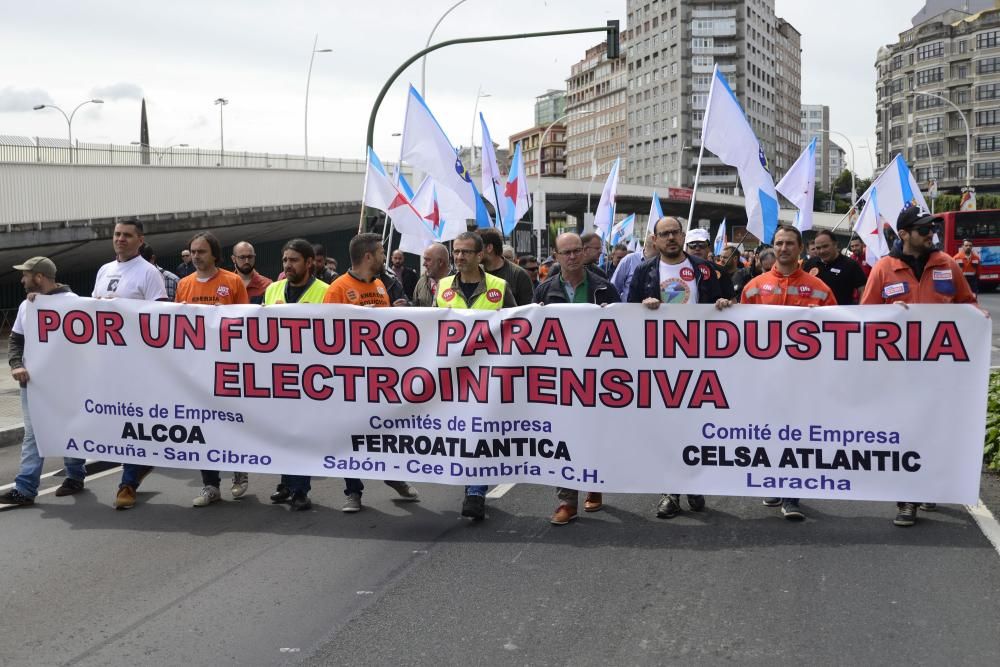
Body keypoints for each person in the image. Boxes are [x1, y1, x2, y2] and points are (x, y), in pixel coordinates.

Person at [861, 208, 980, 527]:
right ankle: (907, 499)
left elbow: (967, 303)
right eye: (923, 229)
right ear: (904, 234)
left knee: (935, 432)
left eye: (931, 229)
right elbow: (865, 317)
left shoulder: (948, 264)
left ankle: (928, 484)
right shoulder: (884, 268)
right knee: (905, 434)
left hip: (940, 373)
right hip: (898, 374)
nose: (931, 234)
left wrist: (977, 317)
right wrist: (889, 317)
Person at [718, 225, 836, 521]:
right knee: (769, 432)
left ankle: (791, 495)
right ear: (773, 246)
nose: (784, 248)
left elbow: (837, 329)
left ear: (800, 248)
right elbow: (742, 331)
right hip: (766, 378)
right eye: (779, 243)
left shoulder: (820, 288)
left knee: (796, 434)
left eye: (790, 244)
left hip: (802, 380)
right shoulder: (754, 286)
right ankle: (773, 480)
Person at [628, 216, 722, 519]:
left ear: (682, 236)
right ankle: (670, 490)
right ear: (654, 239)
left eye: (674, 233)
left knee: (694, 425)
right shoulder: (644, 271)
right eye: (663, 234)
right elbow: (627, 312)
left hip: (699, 359)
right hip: (660, 361)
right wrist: (643, 305)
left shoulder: (704, 270)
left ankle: (692, 482)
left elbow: (727, 303)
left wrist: (724, 303)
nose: (670, 238)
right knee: (668, 427)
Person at [323, 233, 420, 512]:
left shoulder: (380, 285)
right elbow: (328, 337)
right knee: (351, 436)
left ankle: (394, 476)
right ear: (368, 256)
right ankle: (353, 492)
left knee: (388, 431)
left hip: (382, 378)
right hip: (351, 378)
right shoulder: (338, 289)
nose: (383, 258)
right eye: (380, 252)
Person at [534, 233, 621, 525]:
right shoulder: (544, 290)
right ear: (556, 256)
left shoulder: (604, 288)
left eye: (576, 251)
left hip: (598, 376)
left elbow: (622, 328)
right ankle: (567, 500)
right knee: (563, 436)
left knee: (594, 432)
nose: (572, 256)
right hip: (559, 378)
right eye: (566, 252)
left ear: (584, 253)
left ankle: (594, 484)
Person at [435, 231, 516, 520]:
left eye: (465, 252)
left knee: (480, 429)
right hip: (453, 375)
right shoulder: (442, 286)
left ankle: (475, 491)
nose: (459, 257)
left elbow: (517, 324)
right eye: (456, 252)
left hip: (489, 375)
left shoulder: (499, 286)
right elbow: (427, 324)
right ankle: (469, 483)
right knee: (460, 431)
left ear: (480, 255)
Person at [93, 219, 168, 510]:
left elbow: (159, 318)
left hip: (137, 363)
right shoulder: (104, 270)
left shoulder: (149, 274)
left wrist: (123, 308)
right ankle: (140, 464)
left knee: (132, 421)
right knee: (114, 420)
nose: (120, 239)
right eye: (117, 234)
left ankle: (128, 482)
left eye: (127, 235)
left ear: (140, 240)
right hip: (109, 362)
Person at [0, 257, 87, 507]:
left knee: (70, 427)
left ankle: (75, 476)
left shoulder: (76, 304)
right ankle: (25, 488)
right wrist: (16, 364)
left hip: (66, 382)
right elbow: (16, 340)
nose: (21, 279)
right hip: (34, 383)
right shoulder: (27, 306)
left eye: (25, 274)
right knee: (33, 433)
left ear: (39, 277)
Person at [175, 232, 251, 507]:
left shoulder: (231, 282)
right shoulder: (183, 285)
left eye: (202, 252)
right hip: (197, 370)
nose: (196, 256)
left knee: (231, 422)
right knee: (203, 425)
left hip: (227, 366)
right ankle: (210, 485)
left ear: (215, 255)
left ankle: (239, 471)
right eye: (193, 251)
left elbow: (246, 323)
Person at [265, 239, 331, 511]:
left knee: (301, 435)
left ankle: (300, 490)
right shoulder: (272, 290)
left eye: (293, 260)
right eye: (285, 260)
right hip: (279, 374)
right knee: (282, 434)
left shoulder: (326, 292)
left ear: (309, 263)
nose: (287, 265)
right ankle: (286, 484)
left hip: (312, 376)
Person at [803, 230, 868, 305]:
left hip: (841, 315)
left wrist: (860, 310)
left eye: (825, 246)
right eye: (818, 248)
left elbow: (863, 290)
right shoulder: (810, 263)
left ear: (835, 245)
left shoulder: (851, 265)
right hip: (814, 314)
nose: (822, 251)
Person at [477, 227, 534, 306]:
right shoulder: (475, 273)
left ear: (489, 248)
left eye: (477, 248)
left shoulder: (519, 275)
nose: (474, 252)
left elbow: (527, 311)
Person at [685, 228, 734, 298]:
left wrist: (725, 303)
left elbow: (732, 300)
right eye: (692, 245)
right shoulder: (676, 269)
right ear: (686, 248)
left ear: (708, 248)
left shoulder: (721, 271)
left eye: (702, 245)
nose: (697, 248)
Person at [611, 232, 658, 298]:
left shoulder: (664, 263)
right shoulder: (629, 259)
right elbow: (614, 288)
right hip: (629, 307)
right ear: (655, 246)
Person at [413, 243, 451, 307]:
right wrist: (406, 305)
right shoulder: (422, 282)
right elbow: (415, 307)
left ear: (440, 262)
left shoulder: (457, 282)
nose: (424, 264)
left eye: (428, 260)